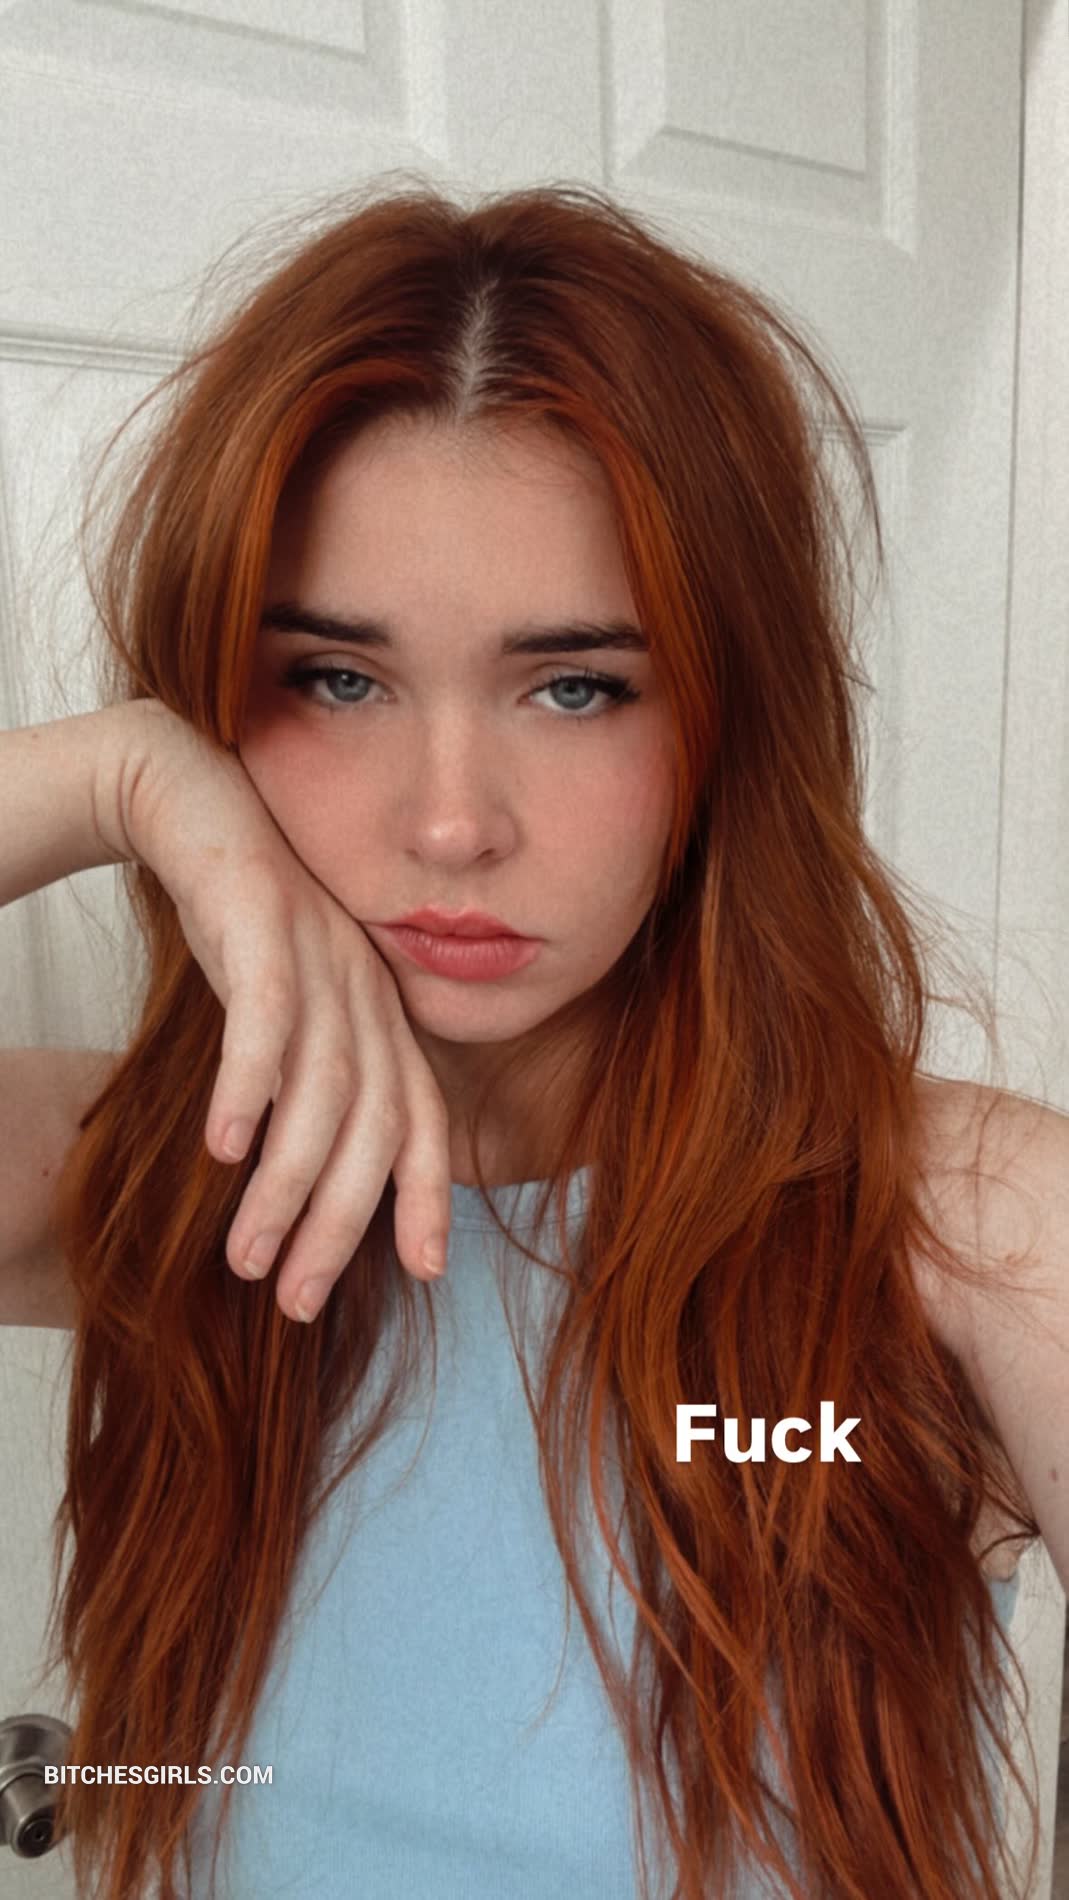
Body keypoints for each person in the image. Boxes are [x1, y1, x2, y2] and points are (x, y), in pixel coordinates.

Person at [1, 175, 1065, 1900]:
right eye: (335, 679)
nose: (450, 825)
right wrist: (108, 777)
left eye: (575, 686)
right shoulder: (155, 1179)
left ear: (723, 722)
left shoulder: (962, 1226)